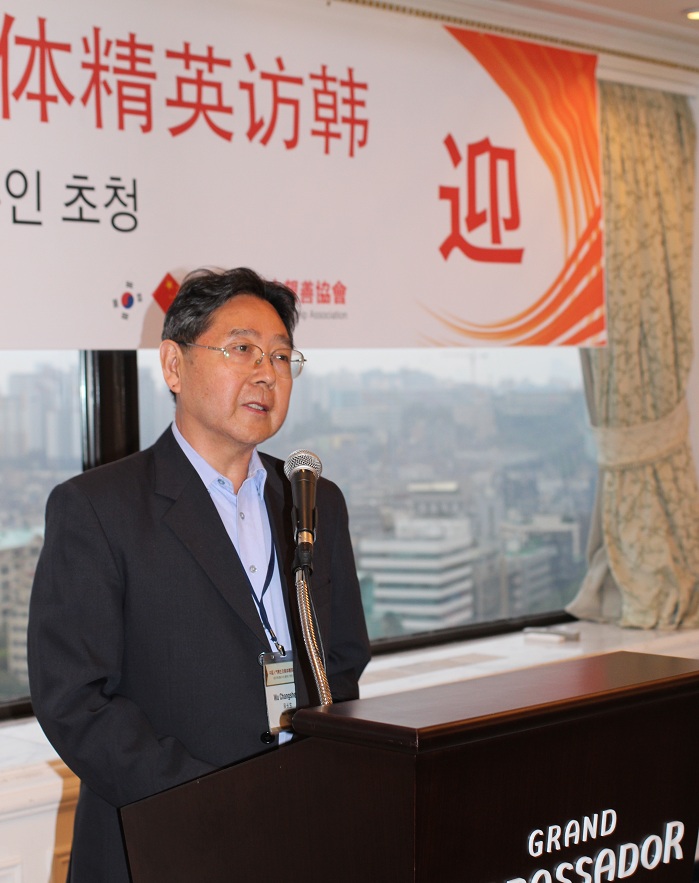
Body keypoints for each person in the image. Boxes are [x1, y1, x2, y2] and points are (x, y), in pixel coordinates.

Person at [27, 267, 371, 883]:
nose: (267, 372)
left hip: (299, 828)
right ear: (174, 366)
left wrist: (321, 778)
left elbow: (341, 659)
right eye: (242, 349)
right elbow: (75, 700)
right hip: (162, 839)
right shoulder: (97, 509)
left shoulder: (313, 501)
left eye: (282, 356)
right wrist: (210, 799)